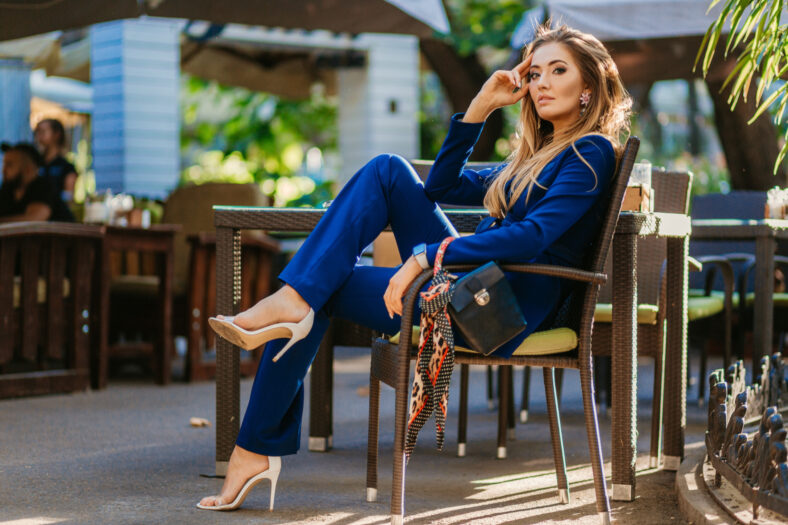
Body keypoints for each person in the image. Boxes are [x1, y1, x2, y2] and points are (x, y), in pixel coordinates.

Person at [198, 24, 632, 511]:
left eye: (558, 71)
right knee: (387, 172)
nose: (542, 83)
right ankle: (274, 371)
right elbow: (440, 186)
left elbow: (533, 237)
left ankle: (254, 445)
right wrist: (482, 106)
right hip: (481, 291)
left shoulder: (588, 152)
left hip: (500, 310)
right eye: (535, 74)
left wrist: (427, 256)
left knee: (316, 290)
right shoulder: (536, 157)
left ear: (588, 86)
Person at [0, 142, 73, 223]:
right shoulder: (8, 190)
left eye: (9, 165)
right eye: (4, 164)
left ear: (28, 169)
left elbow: (33, 220)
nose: (3, 170)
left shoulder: (43, 187)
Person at [34, 118, 78, 202]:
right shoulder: (34, 164)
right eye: (37, 132)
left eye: (43, 132)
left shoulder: (66, 167)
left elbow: (68, 199)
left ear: (57, 134)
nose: (38, 136)